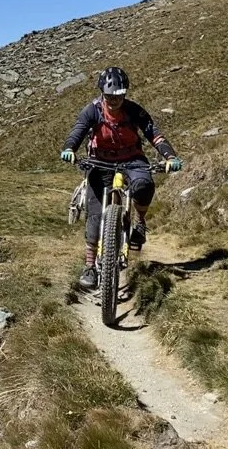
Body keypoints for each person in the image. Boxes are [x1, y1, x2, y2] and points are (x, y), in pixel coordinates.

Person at [59, 66, 182, 290]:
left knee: (144, 184)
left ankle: (140, 223)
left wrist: (170, 156)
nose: (114, 100)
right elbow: (78, 130)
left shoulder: (134, 110)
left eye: (119, 95)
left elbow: (153, 133)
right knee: (95, 212)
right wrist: (69, 149)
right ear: (102, 93)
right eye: (109, 96)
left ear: (125, 94)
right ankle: (90, 266)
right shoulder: (92, 110)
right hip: (100, 161)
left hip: (132, 159)